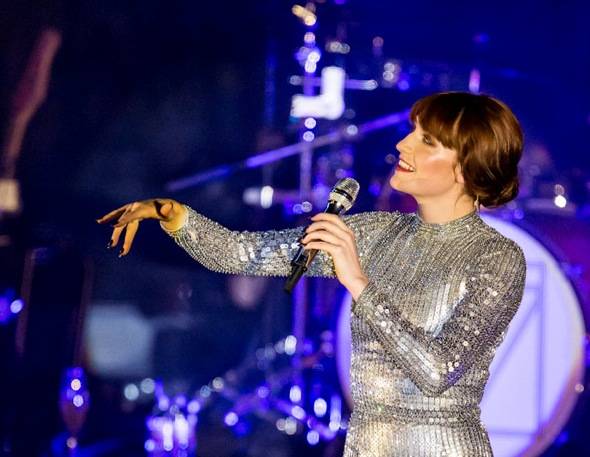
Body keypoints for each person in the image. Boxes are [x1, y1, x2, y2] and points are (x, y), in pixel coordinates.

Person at [97, 91, 527, 456]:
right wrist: (174, 216)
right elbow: (244, 254)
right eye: (411, 132)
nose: (402, 145)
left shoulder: (496, 257)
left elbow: (437, 372)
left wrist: (358, 283)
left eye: (425, 140)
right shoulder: (376, 233)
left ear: (465, 167)